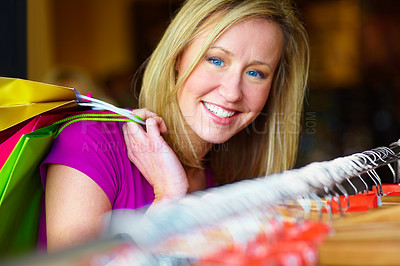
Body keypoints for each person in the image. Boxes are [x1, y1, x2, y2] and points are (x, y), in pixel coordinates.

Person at [40, 0, 309, 252]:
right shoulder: (92, 141)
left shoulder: (222, 180)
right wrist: (168, 197)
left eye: (255, 73)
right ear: (178, 57)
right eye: (216, 60)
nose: (232, 92)